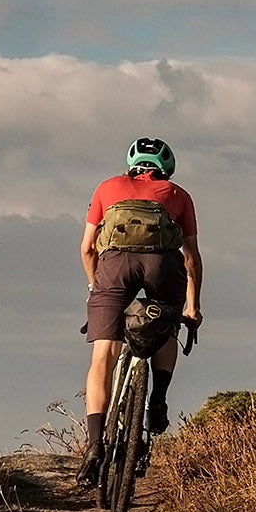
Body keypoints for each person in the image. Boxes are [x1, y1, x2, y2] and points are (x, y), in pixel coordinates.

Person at [76, 137, 203, 481]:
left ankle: (93, 445)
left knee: (103, 356)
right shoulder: (178, 195)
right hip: (162, 267)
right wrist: (192, 307)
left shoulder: (107, 187)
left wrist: (96, 288)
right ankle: (158, 400)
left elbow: (88, 248)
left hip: (115, 267)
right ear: (166, 167)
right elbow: (190, 257)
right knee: (165, 325)